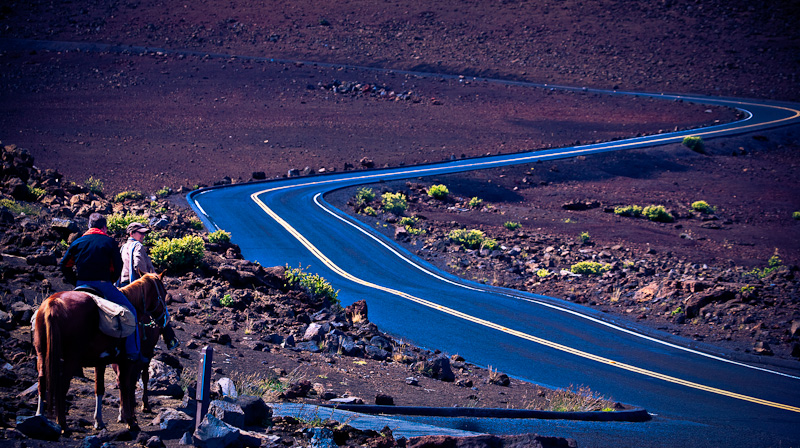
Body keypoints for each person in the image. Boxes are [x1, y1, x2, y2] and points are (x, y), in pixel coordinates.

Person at [59, 213, 146, 364]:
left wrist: (76, 282)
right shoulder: (109, 242)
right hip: (102, 285)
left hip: (81, 285)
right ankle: (133, 352)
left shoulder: (77, 242)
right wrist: (110, 281)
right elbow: (118, 267)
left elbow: (64, 265)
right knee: (131, 311)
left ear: (89, 226)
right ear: (104, 227)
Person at [119, 222, 155, 286]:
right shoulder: (138, 245)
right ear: (131, 233)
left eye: (144, 233)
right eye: (141, 233)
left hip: (122, 284)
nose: (143, 235)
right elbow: (138, 263)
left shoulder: (123, 247)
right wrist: (147, 280)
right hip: (135, 286)